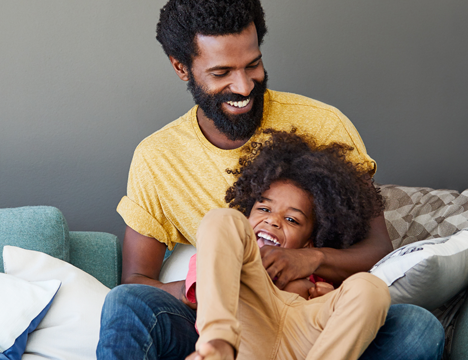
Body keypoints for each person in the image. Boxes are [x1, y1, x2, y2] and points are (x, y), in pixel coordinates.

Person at [96, 0, 444, 359]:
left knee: (417, 328)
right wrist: (218, 284)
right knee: (128, 301)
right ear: (181, 67)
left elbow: (378, 249)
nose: (244, 86)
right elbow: (136, 281)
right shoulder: (157, 158)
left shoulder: (323, 125)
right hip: (221, 323)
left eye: (253, 64)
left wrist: (312, 260)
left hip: (313, 324)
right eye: (221, 72)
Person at [184, 129, 391, 360]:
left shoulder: (320, 275)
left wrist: (331, 298)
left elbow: (350, 306)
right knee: (221, 217)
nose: (273, 220)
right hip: (245, 331)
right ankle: (218, 343)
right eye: (264, 208)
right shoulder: (225, 252)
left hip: (305, 333)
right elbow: (205, 289)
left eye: (292, 220)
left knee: (370, 287)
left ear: (309, 244)